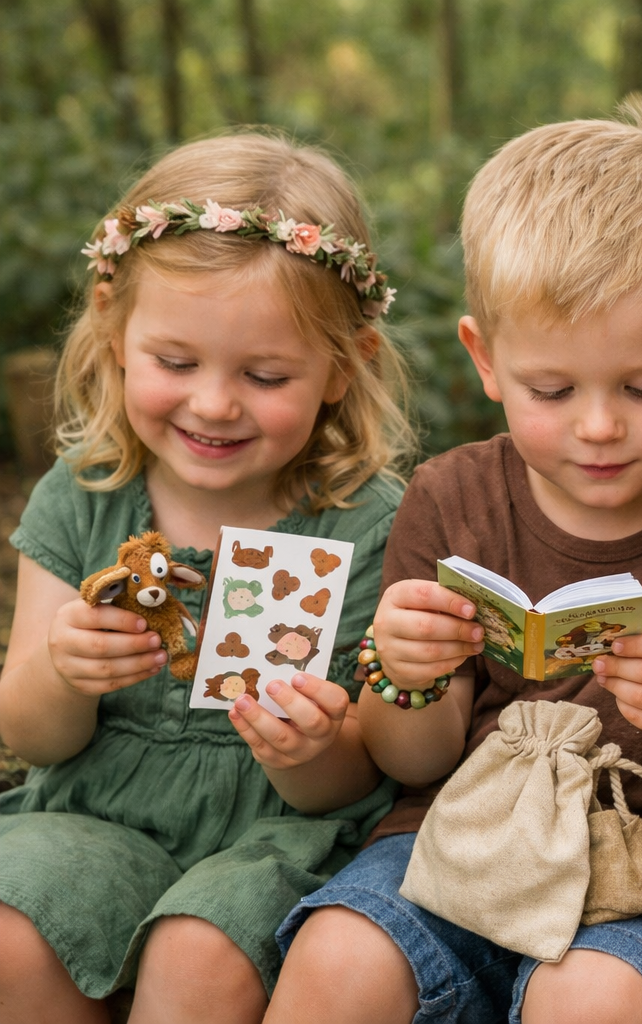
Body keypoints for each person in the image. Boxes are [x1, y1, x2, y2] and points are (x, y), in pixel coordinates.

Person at [267, 104, 642, 1024]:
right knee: (338, 958)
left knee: (590, 998)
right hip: (458, 832)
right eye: (551, 391)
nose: (598, 426)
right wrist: (407, 676)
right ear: (486, 360)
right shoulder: (451, 497)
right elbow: (411, 762)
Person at [0, 133, 412, 1024]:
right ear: (113, 331)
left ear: (343, 367)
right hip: (97, 813)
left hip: (277, 834)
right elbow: (30, 736)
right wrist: (64, 673)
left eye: (265, 375)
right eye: (175, 363)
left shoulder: (368, 523)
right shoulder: (83, 498)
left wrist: (312, 749)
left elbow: (357, 777)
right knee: (11, 926)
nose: (214, 403)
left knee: (201, 953)